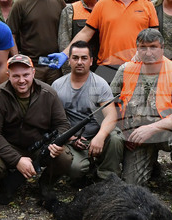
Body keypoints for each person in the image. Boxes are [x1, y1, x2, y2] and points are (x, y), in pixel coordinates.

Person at [110, 29, 172, 212]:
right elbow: (109, 105)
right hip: (137, 134)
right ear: (137, 49)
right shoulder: (125, 70)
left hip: (164, 131)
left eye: (153, 47)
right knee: (133, 190)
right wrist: (125, 132)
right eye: (143, 47)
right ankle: (152, 166)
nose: (148, 52)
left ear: (162, 48)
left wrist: (152, 128)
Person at [0, 54, 72, 204]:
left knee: (64, 157)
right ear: (8, 75)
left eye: (26, 75)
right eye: (16, 76)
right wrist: (17, 160)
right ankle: (5, 183)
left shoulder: (49, 93)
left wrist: (55, 143)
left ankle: (46, 183)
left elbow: (63, 125)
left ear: (33, 73)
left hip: (39, 144)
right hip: (9, 146)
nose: (21, 80)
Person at [65, 0, 159, 82]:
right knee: (107, 101)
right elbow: (85, 33)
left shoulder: (147, 5)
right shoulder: (102, 4)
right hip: (107, 69)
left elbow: (155, 39)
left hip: (138, 68)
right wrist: (64, 54)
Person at [51, 41, 123, 182]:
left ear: (91, 61)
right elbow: (53, 120)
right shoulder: (57, 86)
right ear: (69, 60)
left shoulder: (100, 84)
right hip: (72, 139)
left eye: (84, 58)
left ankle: (107, 178)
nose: (79, 62)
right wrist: (70, 139)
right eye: (75, 58)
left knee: (115, 138)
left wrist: (100, 136)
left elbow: (111, 115)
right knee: (75, 170)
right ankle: (88, 168)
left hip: (97, 135)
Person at [7, 0, 67, 83]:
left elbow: (66, 31)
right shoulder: (20, 4)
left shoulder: (59, 2)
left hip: (55, 65)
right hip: (31, 65)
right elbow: (11, 34)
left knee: (53, 99)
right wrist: (18, 59)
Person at [57, 0, 102, 68]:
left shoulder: (106, 8)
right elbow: (64, 43)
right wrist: (68, 71)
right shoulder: (70, 10)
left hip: (103, 67)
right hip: (79, 67)